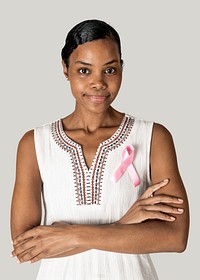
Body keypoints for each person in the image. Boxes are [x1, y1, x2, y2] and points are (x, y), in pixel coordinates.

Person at [10, 19, 189, 280]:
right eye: (84, 71)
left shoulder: (153, 137)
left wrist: (70, 234)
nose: (98, 83)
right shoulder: (34, 143)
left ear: (122, 69)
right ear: (65, 69)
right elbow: (25, 248)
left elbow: (175, 238)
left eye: (110, 70)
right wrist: (124, 223)